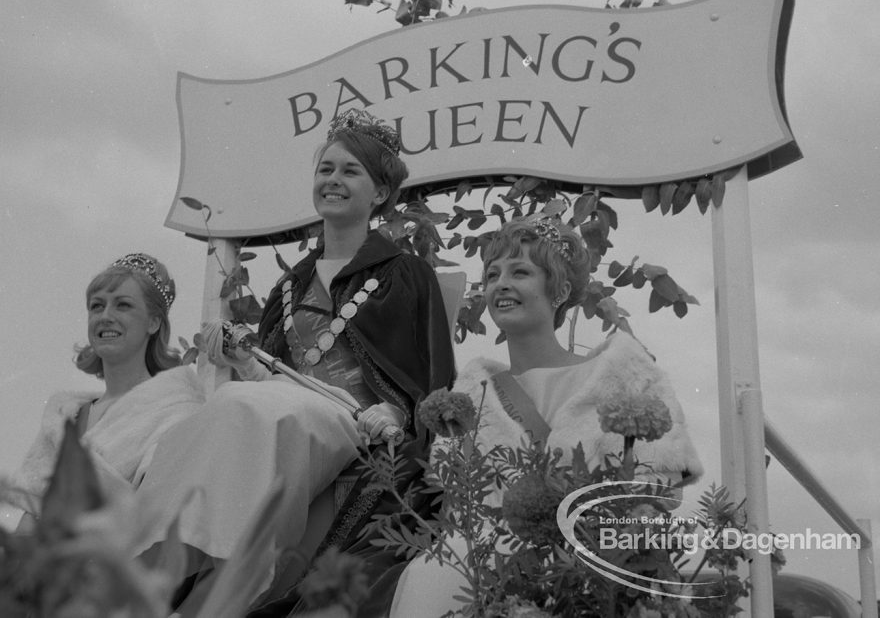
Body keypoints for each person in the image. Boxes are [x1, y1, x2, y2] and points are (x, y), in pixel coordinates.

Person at [131, 109, 457, 615]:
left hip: (355, 424)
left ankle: (229, 560)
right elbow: (278, 372)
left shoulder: (406, 274)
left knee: (245, 407)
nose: (332, 180)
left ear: (379, 193)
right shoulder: (290, 284)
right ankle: (167, 551)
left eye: (350, 171)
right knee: (204, 422)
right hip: (288, 412)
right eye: (325, 169)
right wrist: (242, 358)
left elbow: (429, 371)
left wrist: (396, 412)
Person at [388, 215, 703, 616]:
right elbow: (459, 520)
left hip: (601, 582)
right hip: (487, 587)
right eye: (491, 274)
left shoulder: (624, 373)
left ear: (560, 290)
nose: (500, 283)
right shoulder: (470, 395)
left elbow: (656, 501)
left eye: (520, 272)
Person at [13, 253, 203, 526]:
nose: (106, 316)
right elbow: (30, 519)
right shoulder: (65, 416)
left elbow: (160, 521)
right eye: (97, 306)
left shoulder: (177, 413)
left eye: (123, 305)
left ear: (154, 322)